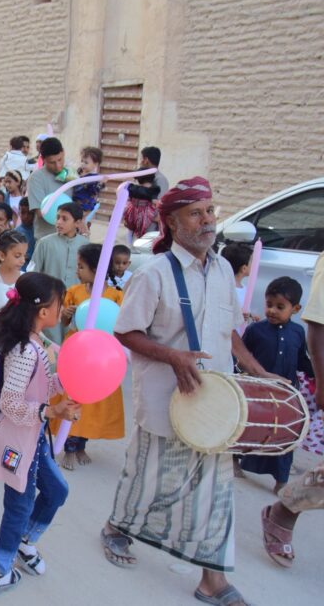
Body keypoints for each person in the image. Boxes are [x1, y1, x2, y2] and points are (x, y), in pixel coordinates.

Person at [100, 177, 277, 606]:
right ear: (173, 224)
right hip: (166, 398)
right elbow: (126, 333)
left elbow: (229, 331)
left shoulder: (220, 269)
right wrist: (174, 357)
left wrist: (260, 373)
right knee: (148, 477)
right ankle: (117, 528)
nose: (208, 221)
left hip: (214, 403)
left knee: (217, 490)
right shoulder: (153, 273)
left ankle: (212, 580)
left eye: (211, 211)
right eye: (196, 214)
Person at [0, 273, 79, 598]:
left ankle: (24, 542)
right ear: (43, 310)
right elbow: (11, 402)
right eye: (59, 303)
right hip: (17, 438)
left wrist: (65, 384)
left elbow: (40, 385)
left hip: (31, 436)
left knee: (56, 490)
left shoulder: (34, 342)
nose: (62, 309)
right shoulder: (25, 349)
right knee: (18, 505)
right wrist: (52, 412)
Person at [259, 252, 324, 568]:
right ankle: (284, 511)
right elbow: (319, 324)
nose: (271, 310)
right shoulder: (263, 330)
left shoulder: (293, 331)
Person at [235, 277, 314, 491]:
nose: (272, 311)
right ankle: (234, 461)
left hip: (286, 395)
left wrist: (317, 374)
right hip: (257, 391)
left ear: (295, 308)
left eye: (280, 307)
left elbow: (301, 360)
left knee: (286, 435)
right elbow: (241, 357)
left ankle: (281, 481)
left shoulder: (298, 332)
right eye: (269, 304)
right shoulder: (255, 330)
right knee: (246, 427)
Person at [54, 244, 125, 469]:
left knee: (91, 402)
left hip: (100, 358)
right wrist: (65, 314)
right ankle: (69, 448)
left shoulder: (116, 296)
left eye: (81, 266)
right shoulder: (74, 291)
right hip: (76, 353)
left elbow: (118, 326)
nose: (77, 271)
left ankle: (81, 445)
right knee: (72, 397)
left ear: (97, 269)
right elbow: (63, 323)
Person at [29, 202, 88, 343]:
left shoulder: (85, 245)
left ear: (77, 223)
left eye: (64, 219)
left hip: (76, 305)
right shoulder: (44, 243)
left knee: (73, 342)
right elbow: (33, 272)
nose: (59, 222)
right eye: (58, 217)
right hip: (49, 303)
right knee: (50, 343)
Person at [25, 137, 67, 240]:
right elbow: (41, 213)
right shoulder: (36, 178)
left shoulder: (71, 174)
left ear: (63, 153)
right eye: (52, 162)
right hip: (47, 239)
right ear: (43, 159)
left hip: (71, 238)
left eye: (60, 160)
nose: (58, 166)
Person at [123, 170, 161, 243]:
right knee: (141, 229)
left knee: (130, 229)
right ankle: (138, 244)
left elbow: (128, 198)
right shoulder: (153, 190)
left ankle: (129, 244)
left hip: (132, 210)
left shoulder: (132, 188)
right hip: (144, 212)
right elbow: (155, 202)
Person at [72, 147, 104, 214]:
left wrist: (101, 183)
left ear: (95, 164)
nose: (83, 164)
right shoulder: (80, 171)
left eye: (86, 163)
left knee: (80, 220)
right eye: (82, 161)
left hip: (84, 205)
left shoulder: (94, 178)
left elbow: (94, 190)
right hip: (74, 202)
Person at [221, 243, 253, 309]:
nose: (253, 264)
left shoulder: (244, 288)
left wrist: (251, 316)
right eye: (251, 262)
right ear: (244, 268)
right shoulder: (227, 290)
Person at [16, 198, 36, 270]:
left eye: (30, 213)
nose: (26, 216)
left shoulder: (39, 231)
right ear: (19, 213)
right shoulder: (16, 233)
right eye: (23, 212)